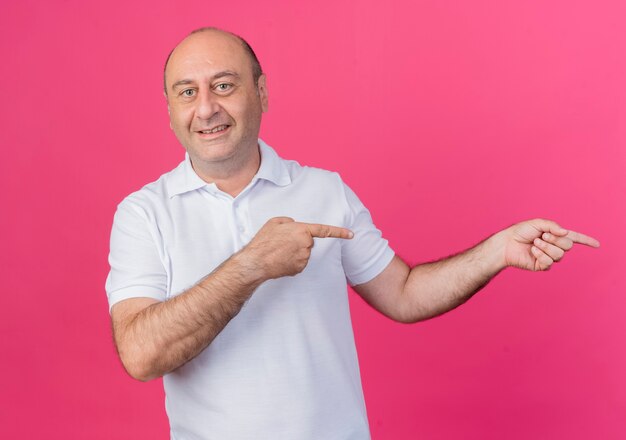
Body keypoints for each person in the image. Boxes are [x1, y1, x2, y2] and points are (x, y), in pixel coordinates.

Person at [105, 27, 600, 440]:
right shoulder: (143, 213)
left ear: (261, 93)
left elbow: (404, 294)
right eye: (187, 91)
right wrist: (252, 264)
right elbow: (141, 355)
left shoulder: (324, 190)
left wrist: (496, 251)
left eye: (225, 85)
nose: (207, 107)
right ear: (170, 111)